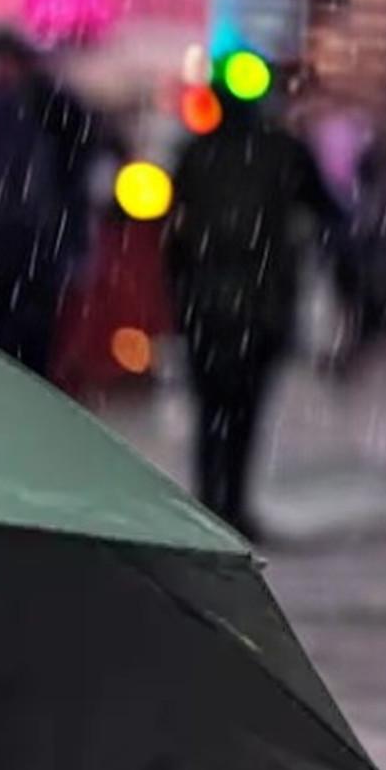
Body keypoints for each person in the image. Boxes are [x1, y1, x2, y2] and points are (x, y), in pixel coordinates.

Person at [164, 76, 342, 538]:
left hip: (207, 305)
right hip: (262, 305)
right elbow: (329, 211)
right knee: (244, 409)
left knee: (211, 409)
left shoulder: (195, 153)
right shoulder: (283, 153)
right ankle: (234, 505)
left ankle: (210, 504)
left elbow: (171, 230)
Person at [0, 30, 98, 375]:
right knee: (26, 334)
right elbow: (74, 178)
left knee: (2, 330)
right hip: (26, 240)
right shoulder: (49, 106)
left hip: (3, 240)